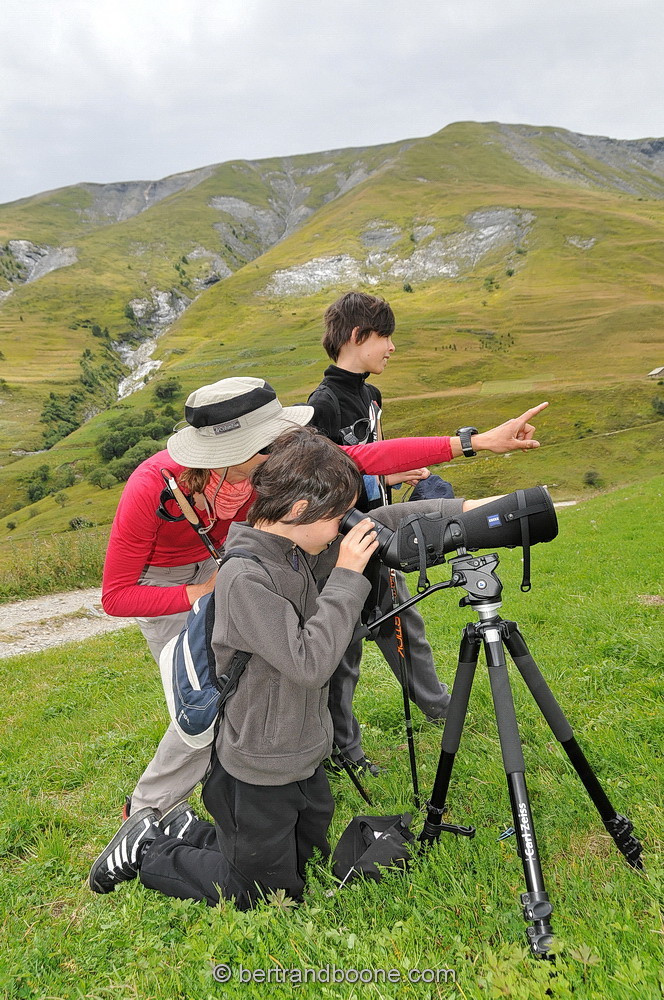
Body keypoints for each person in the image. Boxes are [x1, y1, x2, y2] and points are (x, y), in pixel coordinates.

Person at [102, 375, 545, 821]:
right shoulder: (150, 487)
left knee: (266, 676)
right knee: (206, 694)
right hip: (171, 581)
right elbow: (117, 596)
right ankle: (145, 813)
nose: (283, 445)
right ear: (231, 453)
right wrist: (204, 591)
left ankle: (262, 778)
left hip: (240, 556)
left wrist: (475, 442)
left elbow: (362, 458)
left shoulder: (271, 467)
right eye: (269, 441)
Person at [88, 428, 483, 906]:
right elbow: (311, 662)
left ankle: (183, 826)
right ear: (299, 511)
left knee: (301, 860)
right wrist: (348, 579)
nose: (343, 528)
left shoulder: (297, 547)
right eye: (338, 517)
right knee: (264, 893)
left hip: (300, 754)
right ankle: (147, 849)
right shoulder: (244, 578)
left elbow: (383, 519)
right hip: (257, 766)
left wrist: (470, 511)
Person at [306, 292, 462, 767]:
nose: (392, 347)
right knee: (344, 647)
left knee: (403, 624)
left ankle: (439, 708)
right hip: (343, 544)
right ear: (357, 337)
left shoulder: (372, 395)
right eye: (385, 337)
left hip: (380, 533)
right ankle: (343, 750)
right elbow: (323, 481)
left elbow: (364, 461)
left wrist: (390, 477)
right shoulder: (323, 404)